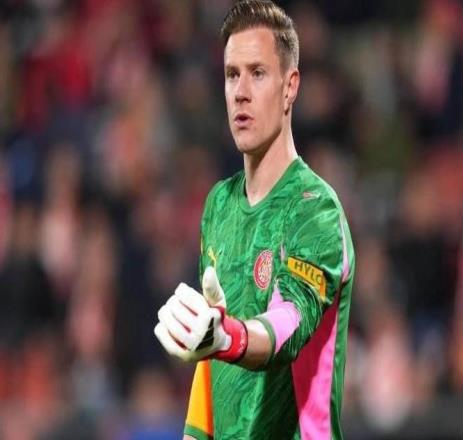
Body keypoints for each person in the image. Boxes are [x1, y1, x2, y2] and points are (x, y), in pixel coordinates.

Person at [154, 1, 355, 438]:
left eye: (258, 73)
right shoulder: (219, 205)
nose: (240, 92)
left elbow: (289, 321)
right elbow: (209, 357)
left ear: (290, 86)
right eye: (232, 75)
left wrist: (230, 338)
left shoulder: (315, 210)